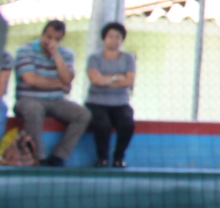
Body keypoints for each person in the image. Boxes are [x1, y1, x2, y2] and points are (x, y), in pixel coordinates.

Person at [13, 19, 88, 167]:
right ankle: (38, 158)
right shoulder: (25, 51)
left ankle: (59, 156)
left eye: (56, 39)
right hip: (28, 99)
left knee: (83, 115)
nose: (50, 42)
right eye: (48, 37)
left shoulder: (66, 54)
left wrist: (56, 55)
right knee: (34, 110)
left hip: (56, 101)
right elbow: (31, 80)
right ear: (42, 35)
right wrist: (59, 84)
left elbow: (67, 79)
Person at [85, 22, 138, 167]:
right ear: (104, 39)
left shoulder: (128, 58)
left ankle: (118, 158)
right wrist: (117, 78)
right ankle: (102, 158)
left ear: (122, 40)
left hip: (120, 102)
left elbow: (129, 81)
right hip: (96, 102)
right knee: (102, 124)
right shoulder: (94, 58)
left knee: (127, 123)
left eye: (118, 37)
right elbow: (95, 80)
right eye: (110, 36)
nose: (114, 40)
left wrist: (106, 79)